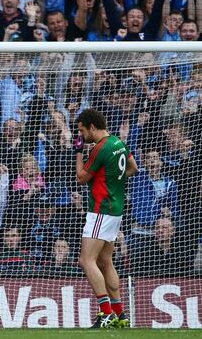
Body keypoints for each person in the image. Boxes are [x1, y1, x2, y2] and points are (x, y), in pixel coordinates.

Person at [75, 109, 138, 329]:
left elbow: (81, 178)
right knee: (105, 261)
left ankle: (106, 313)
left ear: (92, 127)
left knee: (86, 260)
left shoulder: (100, 148)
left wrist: (79, 152)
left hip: (101, 210)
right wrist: (113, 181)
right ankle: (121, 314)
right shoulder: (118, 143)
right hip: (115, 209)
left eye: (82, 131)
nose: (81, 135)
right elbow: (133, 168)